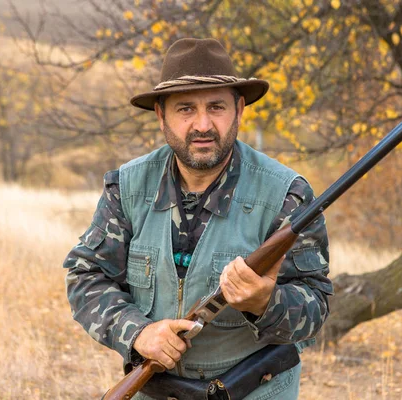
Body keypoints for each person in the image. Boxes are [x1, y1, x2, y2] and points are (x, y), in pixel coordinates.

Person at [63, 38, 333, 400]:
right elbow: (86, 277)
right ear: (161, 115)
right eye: (186, 109)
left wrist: (265, 303)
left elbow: (317, 307)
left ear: (239, 109)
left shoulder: (287, 195)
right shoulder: (127, 187)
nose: (203, 124)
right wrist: (138, 333)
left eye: (216, 107)